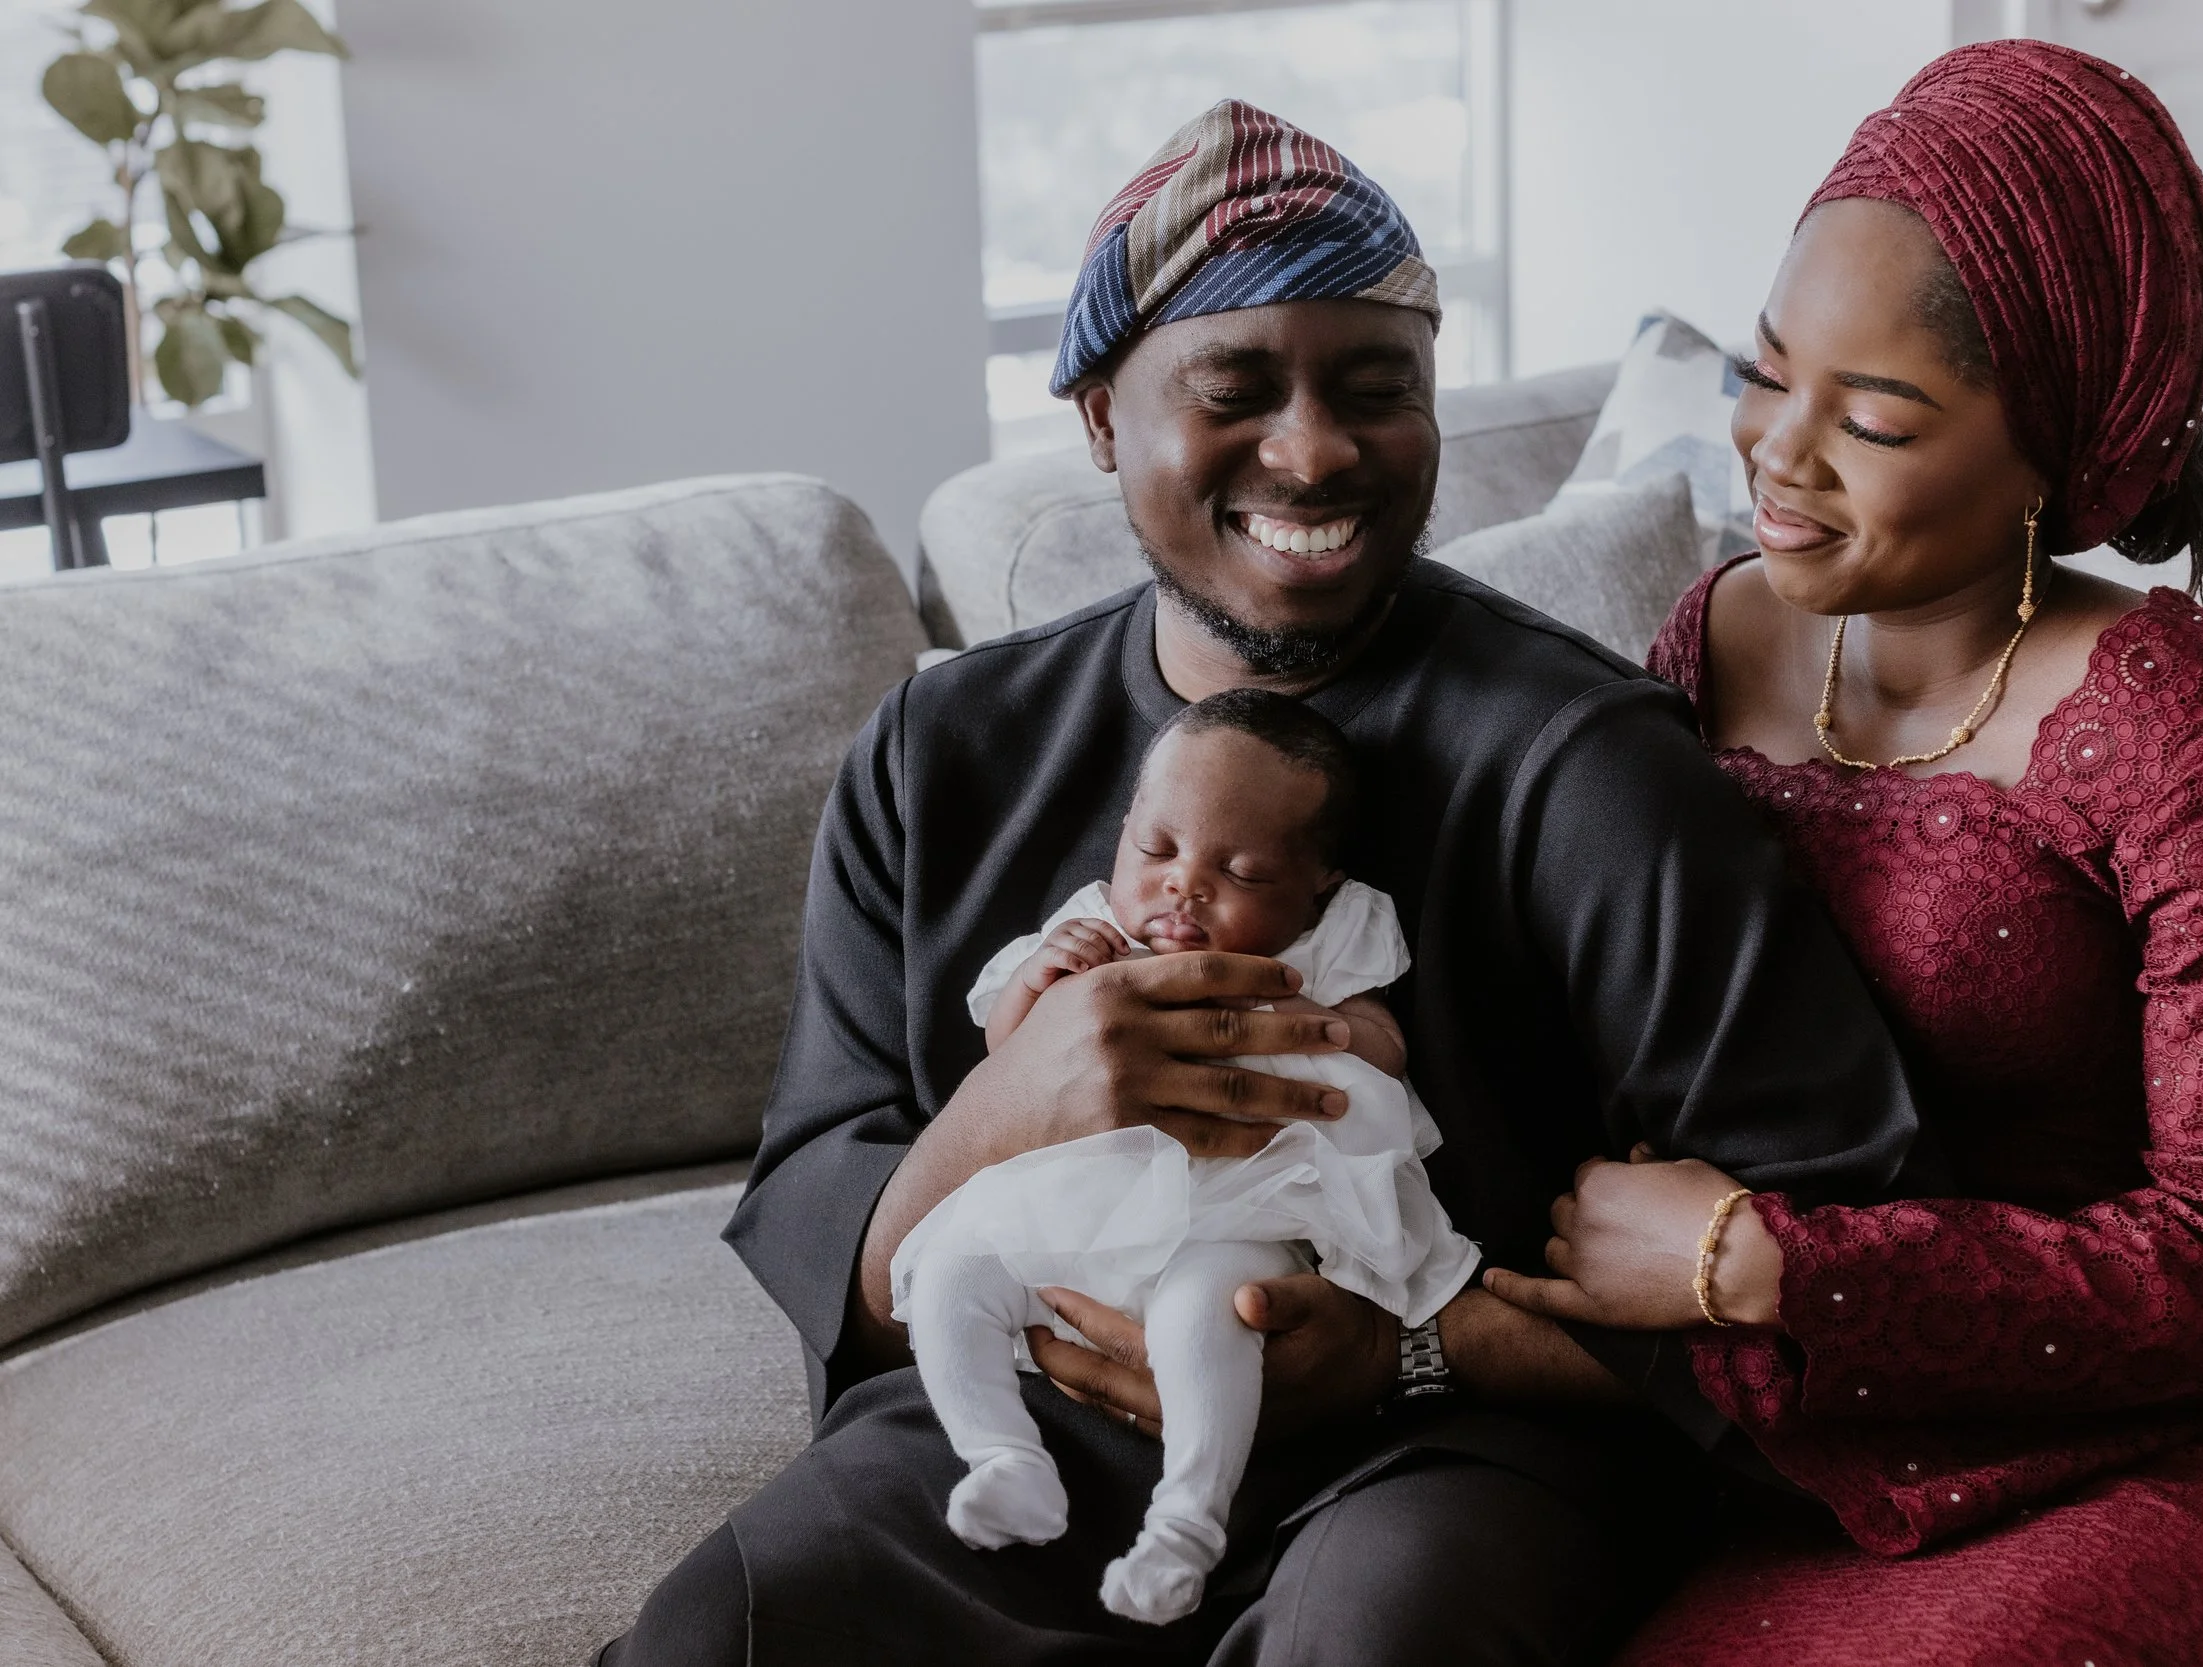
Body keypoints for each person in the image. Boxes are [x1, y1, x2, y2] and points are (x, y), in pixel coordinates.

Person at [599, 99, 1921, 1666]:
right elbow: (849, 1265)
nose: (1314, 450)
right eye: (1235, 388)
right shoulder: (943, 749)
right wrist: (1009, 1104)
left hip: (1449, 1451)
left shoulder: (1588, 768)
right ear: (1100, 417)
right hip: (1036, 1423)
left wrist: (1404, 1354)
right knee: (726, 1627)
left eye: (1380, 389)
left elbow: (1851, 1267)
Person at [1485, 41, 2203, 1664]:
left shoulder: (2183, 731)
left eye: (1872, 415)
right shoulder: (1714, 633)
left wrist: (1764, 1265)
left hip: (2188, 1448)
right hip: (1826, 1428)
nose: (1776, 451)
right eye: (1766, 366)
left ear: (2049, 450)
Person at [894, 690, 1477, 1626]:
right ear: (1124, 832)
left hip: (1246, 1204)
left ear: (1319, 878)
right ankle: (1003, 1456)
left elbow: (1381, 1042)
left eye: (1239, 870)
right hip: (1082, 1205)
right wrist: (1045, 987)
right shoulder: (1089, 931)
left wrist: (1306, 1024)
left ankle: (1187, 1522)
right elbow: (1010, 1056)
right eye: (1157, 851)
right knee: (953, 1270)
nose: (1183, 887)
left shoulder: (1330, 942)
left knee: (1215, 1311)